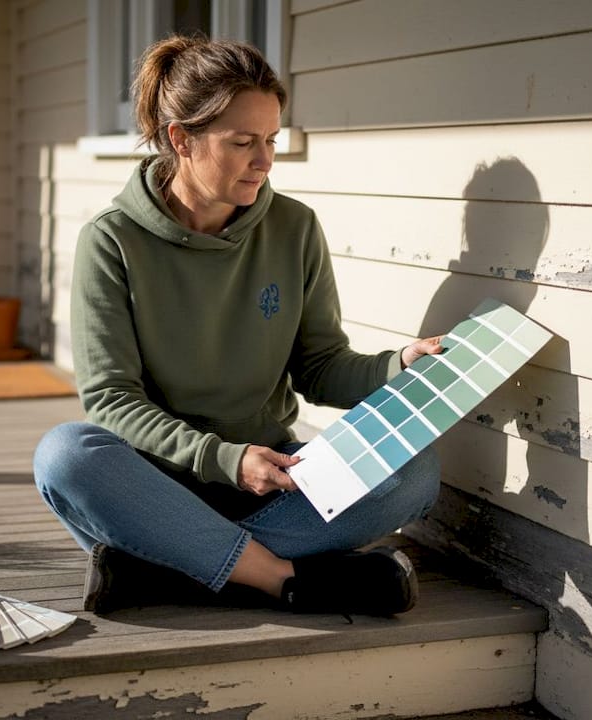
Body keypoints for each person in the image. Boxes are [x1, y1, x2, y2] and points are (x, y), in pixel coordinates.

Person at [33, 35, 445, 617]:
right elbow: (110, 400)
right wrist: (226, 459)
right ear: (182, 139)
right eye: (243, 142)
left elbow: (321, 366)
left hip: (276, 483)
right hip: (157, 487)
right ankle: (283, 578)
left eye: (272, 140)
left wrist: (396, 365)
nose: (265, 160)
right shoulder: (112, 240)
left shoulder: (295, 228)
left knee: (414, 468)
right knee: (65, 455)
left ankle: (167, 570)